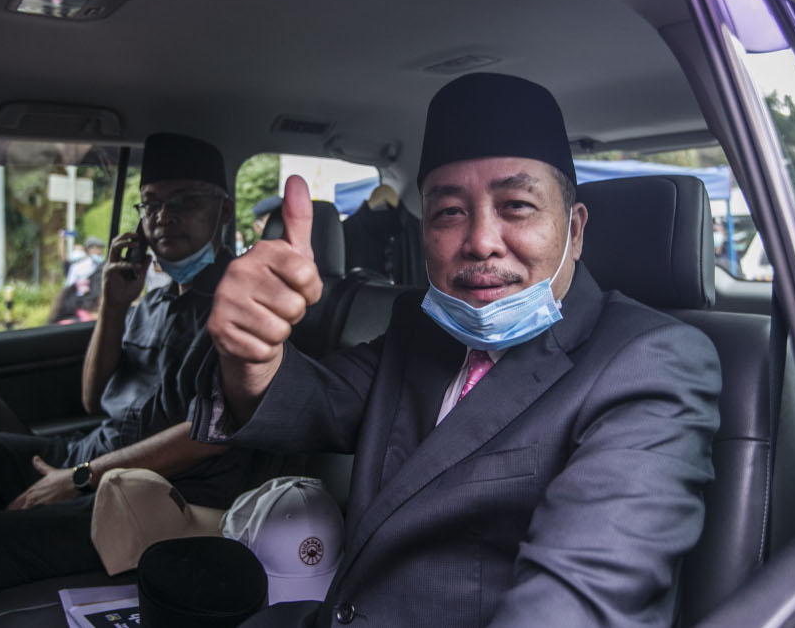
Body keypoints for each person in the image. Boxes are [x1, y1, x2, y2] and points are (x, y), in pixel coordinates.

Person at [191, 73, 721, 626]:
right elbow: (316, 401)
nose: (481, 240)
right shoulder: (423, 333)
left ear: (575, 229)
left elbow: (581, 597)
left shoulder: (652, 360)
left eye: (516, 205)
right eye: (448, 212)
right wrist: (250, 356)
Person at [0, 133, 302, 627]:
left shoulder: (245, 306)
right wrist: (114, 306)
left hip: (160, 496)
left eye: (184, 201)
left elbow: (212, 435)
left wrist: (76, 479)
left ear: (223, 212)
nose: (164, 215)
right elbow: (94, 397)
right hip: (94, 456)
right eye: (153, 203)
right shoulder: (153, 300)